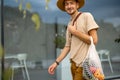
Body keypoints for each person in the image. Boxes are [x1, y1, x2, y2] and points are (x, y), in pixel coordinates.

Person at [48, 0, 99, 80]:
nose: (69, 6)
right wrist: (56, 62)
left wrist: (75, 32)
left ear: (77, 5)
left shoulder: (86, 16)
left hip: (85, 65)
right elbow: (67, 46)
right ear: (65, 8)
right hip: (74, 65)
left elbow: (94, 40)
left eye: (71, 3)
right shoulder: (69, 24)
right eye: (67, 4)